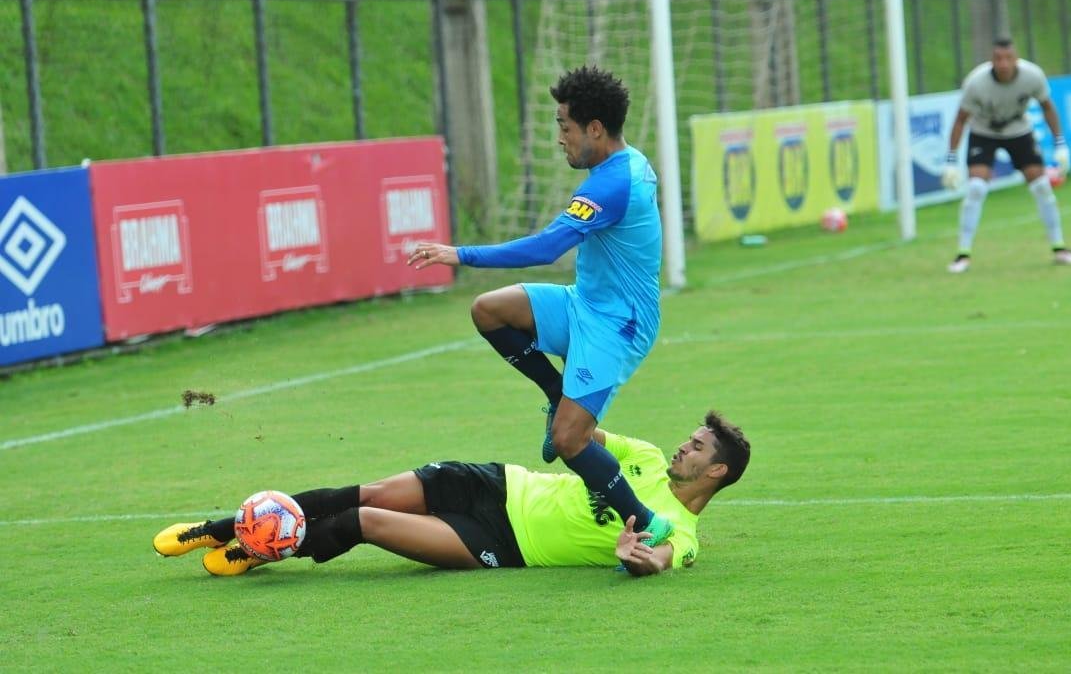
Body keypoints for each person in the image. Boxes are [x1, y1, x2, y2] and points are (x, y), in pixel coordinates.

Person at [406, 67, 672, 543]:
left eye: (564, 126)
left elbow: (548, 248)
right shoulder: (624, 164)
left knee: (571, 441)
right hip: (585, 303)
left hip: (618, 325)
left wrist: (459, 253)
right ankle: (556, 393)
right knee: (489, 310)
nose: (559, 138)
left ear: (594, 128)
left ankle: (649, 523)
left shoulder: (610, 185)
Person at [152, 410, 750, 578]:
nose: (681, 449)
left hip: (498, 542)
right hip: (499, 482)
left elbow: (664, 558)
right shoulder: (642, 457)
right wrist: (569, 402)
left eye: (697, 448)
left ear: (716, 473)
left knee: (368, 519)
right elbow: (582, 433)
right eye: (688, 440)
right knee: (369, 489)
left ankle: (263, 547)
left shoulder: (684, 532)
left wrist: (640, 560)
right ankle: (220, 526)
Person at [941, 38, 1071, 273]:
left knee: (1042, 186)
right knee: (976, 188)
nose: (1003, 64)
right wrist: (951, 160)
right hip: (984, 131)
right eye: (998, 59)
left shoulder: (1032, 76)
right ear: (992, 60)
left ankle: (1060, 247)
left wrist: (1060, 144)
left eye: (1008, 58)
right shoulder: (976, 82)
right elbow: (961, 119)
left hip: (1018, 130)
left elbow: (1048, 107)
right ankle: (963, 253)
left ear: (1016, 59)